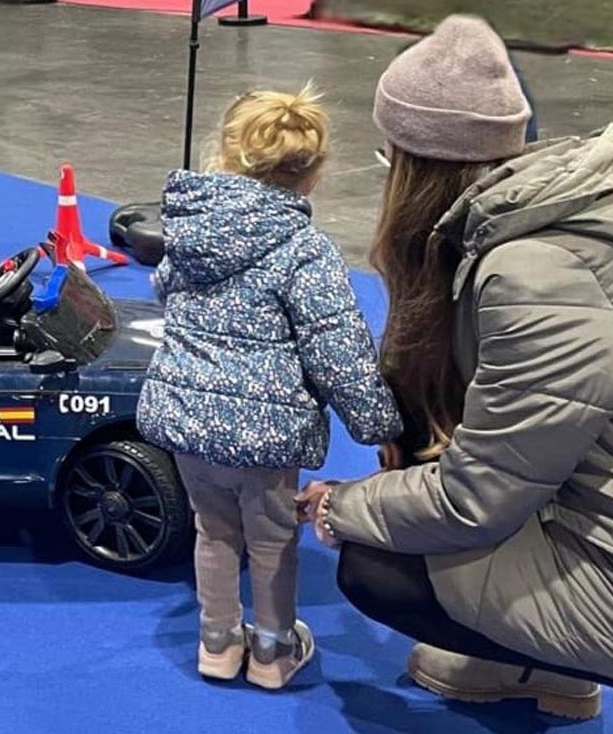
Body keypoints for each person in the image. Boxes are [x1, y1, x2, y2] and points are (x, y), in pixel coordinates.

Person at [297, 15, 613, 734]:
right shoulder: (555, 220)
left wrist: (342, 505)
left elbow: (474, 499)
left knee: (376, 565)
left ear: (409, 166)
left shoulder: (537, 275)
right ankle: (539, 667)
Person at [137, 85, 403, 690]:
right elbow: (339, 351)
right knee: (272, 541)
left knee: (212, 531)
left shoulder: (190, 230)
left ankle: (216, 643)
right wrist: (380, 427)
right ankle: (273, 652)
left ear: (226, 153)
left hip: (185, 419)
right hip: (265, 436)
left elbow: (162, 289)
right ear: (313, 173)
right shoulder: (305, 251)